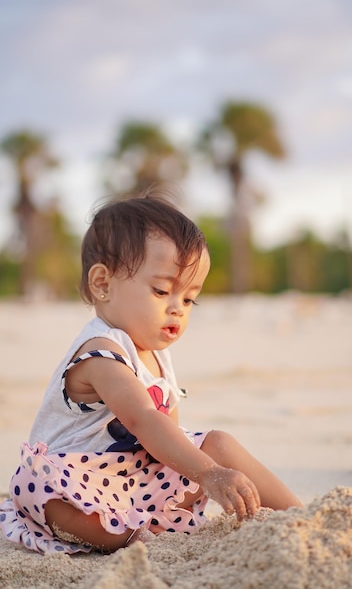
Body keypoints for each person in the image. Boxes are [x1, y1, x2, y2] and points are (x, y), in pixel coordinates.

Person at [0, 195, 302, 555]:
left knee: (216, 443)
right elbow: (143, 419)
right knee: (33, 486)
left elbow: (167, 434)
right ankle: (125, 538)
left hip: (132, 484)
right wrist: (207, 474)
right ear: (103, 284)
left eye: (190, 299)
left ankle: (297, 513)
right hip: (77, 485)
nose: (177, 308)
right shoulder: (101, 352)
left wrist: (204, 466)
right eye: (161, 291)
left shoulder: (158, 355)